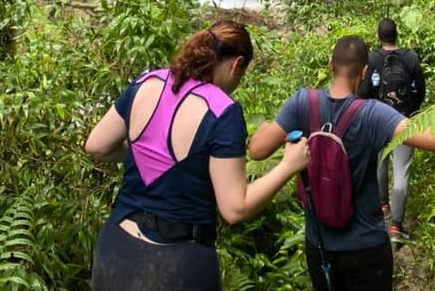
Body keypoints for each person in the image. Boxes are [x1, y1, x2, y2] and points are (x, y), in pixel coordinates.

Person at [85, 20, 310, 291]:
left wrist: (152, 156)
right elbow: (234, 208)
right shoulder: (222, 112)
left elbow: (96, 145)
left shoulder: (148, 81)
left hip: (115, 250)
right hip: (177, 265)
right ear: (236, 64)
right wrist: (288, 165)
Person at [249, 34, 435, 291]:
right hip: (366, 247)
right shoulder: (374, 114)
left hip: (318, 246)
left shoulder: (302, 102)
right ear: (364, 71)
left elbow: (257, 150)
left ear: (330, 65)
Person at [362, 16, 425, 243]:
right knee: (402, 171)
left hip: (379, 120)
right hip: (405, 121)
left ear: (379, 37)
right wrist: (411, 112)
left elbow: (364, 90)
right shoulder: (411, 57)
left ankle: (382, 204)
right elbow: (420, 91)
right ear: (397, 34)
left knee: (380, 161)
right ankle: (397, 227)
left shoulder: (372, 59)